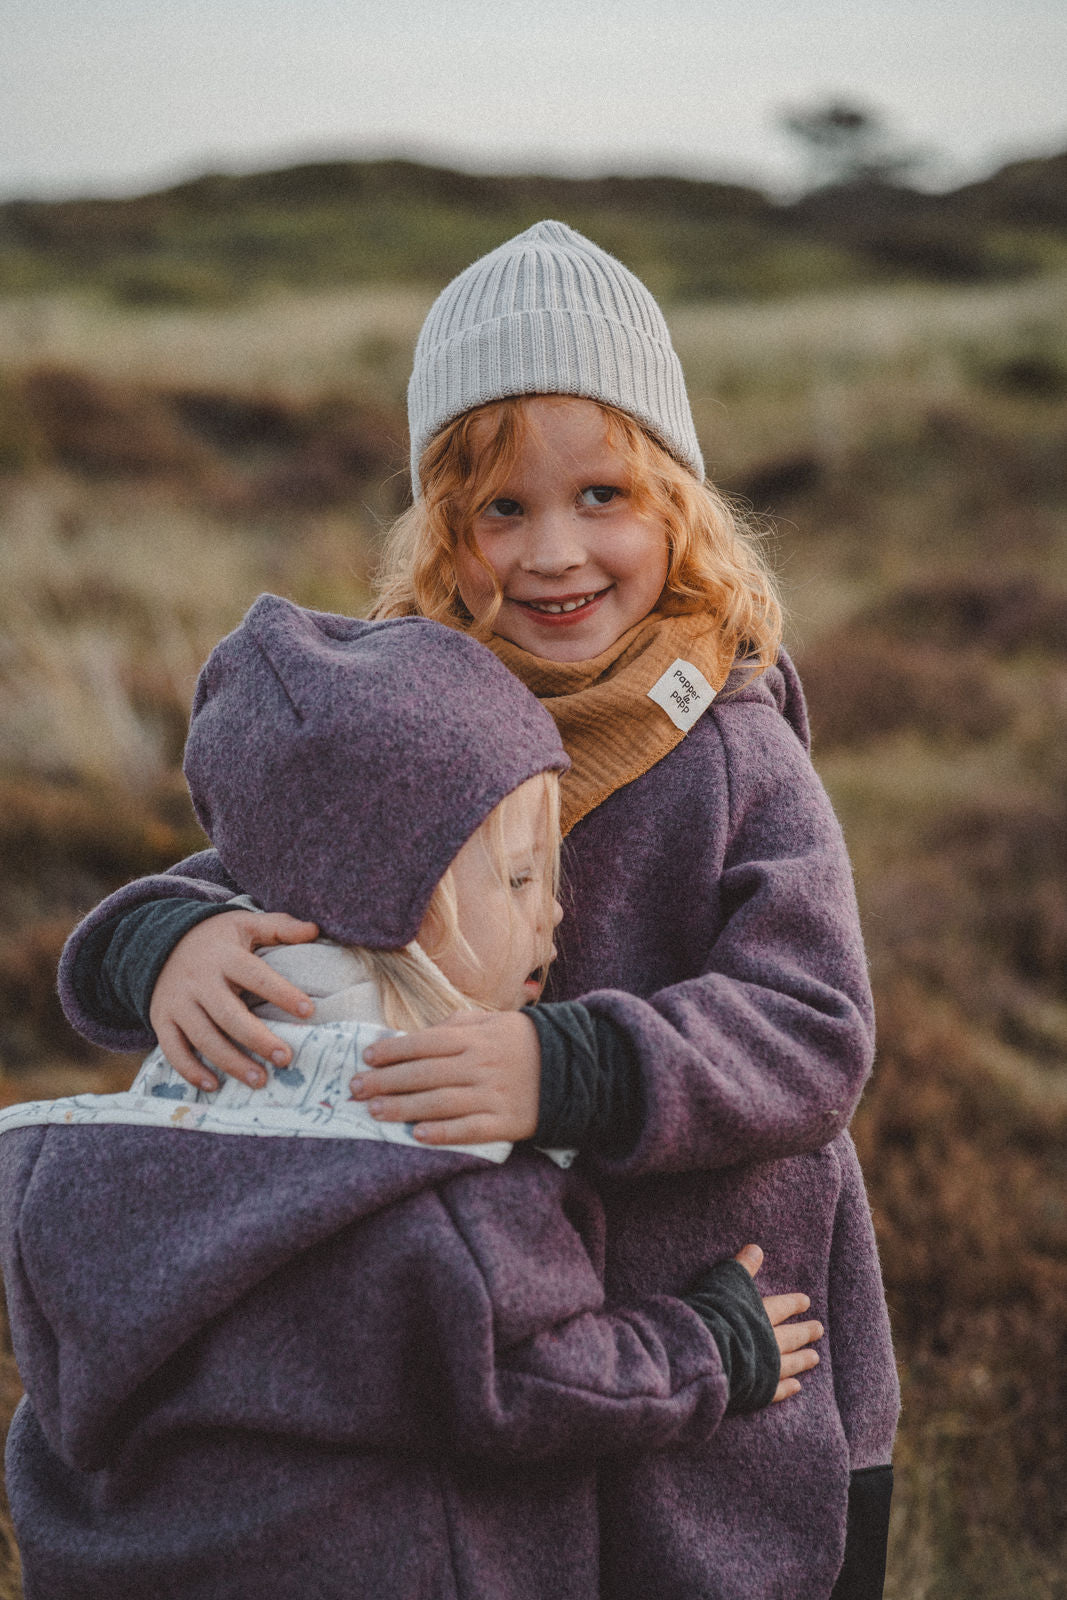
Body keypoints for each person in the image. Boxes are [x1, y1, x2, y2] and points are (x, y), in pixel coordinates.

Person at [56, 222, 900, 1598]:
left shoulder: (735, 752)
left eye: (601, 496)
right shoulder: (423, 719)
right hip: (510, 1360)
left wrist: (561, 1069)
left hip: (749, 1361)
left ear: (676, 502)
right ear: (441, 530)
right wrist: (161, 941)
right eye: (500, 509)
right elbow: (256, 872)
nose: (553, 553)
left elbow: (810, 1028)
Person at [0, 596, 822, 1600]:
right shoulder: (432, 1161)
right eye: (520, 877)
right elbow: (531, 1380)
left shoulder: (159, 1113)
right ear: (390, 900)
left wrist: (154, 940)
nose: (555, 913)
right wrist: (705, 1346)